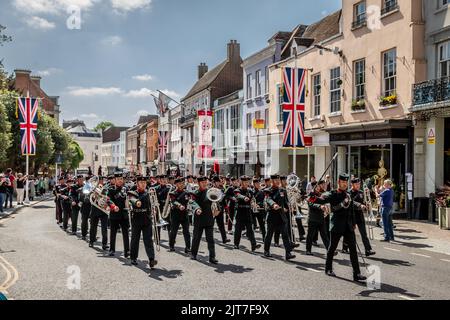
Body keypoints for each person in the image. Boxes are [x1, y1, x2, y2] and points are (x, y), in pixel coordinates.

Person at [317, 173, 366, 282]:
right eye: (343, 182)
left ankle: (356, 274)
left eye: (346, 182)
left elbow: (352, 207)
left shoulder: (348, 194)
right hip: (337, 225)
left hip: (348, 226)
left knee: (353, 249)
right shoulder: (333, 193)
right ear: (339, 182)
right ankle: (328, 269)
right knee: (332, 248)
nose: (345, 184)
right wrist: (315, 194)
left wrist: (354, 221)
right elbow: (322, 198)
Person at [263, 175, 296, 261]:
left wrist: (289, 207)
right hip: (272, 216)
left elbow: (285, 202)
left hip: (281, 217)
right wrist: (274, 204)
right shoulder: (268, 190)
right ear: (271, 181)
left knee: (285, 235)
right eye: (275, 180)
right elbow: (268, 199)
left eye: (278, 180)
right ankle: (266, 250)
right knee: (269, 235)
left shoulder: (282, 190)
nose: (277, 181)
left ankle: (288, 253)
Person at [342, 178, 376, 257]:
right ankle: (345, 247)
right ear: (352, 185)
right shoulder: (348, 193)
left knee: (364, 233)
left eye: (359, 184)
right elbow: (351, 202)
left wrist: (366, 205)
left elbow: (364, 202)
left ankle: (368, 250)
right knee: (349, 233)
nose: (358, 185)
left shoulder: (361, 192)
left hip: (360, 215)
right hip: (351, 215)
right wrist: (360, 205)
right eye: (356, 184)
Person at [129, 176, 158, 269]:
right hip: (137, 218)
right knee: (135, 239)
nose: (143, 184)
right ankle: (133, 258)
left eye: (144, 183)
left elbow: (152, 204)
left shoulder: (149, 193)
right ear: (137, 184)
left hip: (146, 218)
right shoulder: (133, 192)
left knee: (148, 240)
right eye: (141, 183)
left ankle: (151, 259)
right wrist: (136, 202)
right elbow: (132, 199)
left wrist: (154, 209)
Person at [190, 176, 218, 264]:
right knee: (196, 238)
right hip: (199, 219)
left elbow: (216, 201)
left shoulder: (210, 192)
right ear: (198, 183)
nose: (204, 184)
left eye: (205, 182)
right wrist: (197, 208)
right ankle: (193, 254)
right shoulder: (195, 193)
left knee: (210, 239)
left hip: (209, 218)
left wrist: (218, 209)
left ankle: (212, 257)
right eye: (202, 182)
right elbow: (192, 202)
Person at [233, 176, 261, 252]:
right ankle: (236, 244)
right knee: (238, 229)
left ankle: (253, 245)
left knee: (250, 230)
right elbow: (238, 195)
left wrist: (254, 204)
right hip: (240, 211)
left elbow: (252, 200)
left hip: (248, 212)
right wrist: (244, 198)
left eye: (247, 182)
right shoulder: (237, 190)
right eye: (244, 182)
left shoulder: (250, 191)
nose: (246, 183)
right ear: (241, 182)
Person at [108, 173, 130, 258]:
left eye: (121, 178)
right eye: (118, 179)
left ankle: (127, 251)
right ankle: (112, 250)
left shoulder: (126, 189)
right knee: (113, 233)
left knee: (126, 233)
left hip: (124, 215)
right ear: (115, 180)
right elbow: (108, 200)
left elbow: (130, 199)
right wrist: (113, 206)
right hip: (114, 214)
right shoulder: (111, 189)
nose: (120, 180)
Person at [305, 181, 329, 255]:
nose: (318, 188)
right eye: (316, 187)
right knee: (310, 235)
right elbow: (311, 204)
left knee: (324, 235)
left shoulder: (321, 194)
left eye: (318, 186)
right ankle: (308, 250)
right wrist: (320, 206)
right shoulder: (312, 195)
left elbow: (325, 201)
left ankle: (329, 250)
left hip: (321, 218)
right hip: (313, 218)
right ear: (313, 188)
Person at [168, 177, 191, 253]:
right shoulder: (173, 193)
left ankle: (188, 247)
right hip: (176, 214)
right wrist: (179, 205)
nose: (182, 185)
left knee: (186, 232)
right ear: (176, 184)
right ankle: (171, 246)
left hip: (184, 214)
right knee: (173, 231)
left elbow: (189, 201)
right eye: (180, 183)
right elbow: (173, 201)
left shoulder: (187, 193)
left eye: (183, 183)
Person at [89, 176, 109, 251]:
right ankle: (91, 241)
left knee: (104, 228)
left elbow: (106, 197)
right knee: (93, 227)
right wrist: (94, 194)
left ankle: (104, 244)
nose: (100, 182)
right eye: (99, 180)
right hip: (95, 209)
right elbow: (88, 196)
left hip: (103, 211)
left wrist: (101, 194)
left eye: (101, 180)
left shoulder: (106, 188)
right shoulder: (92, 188)